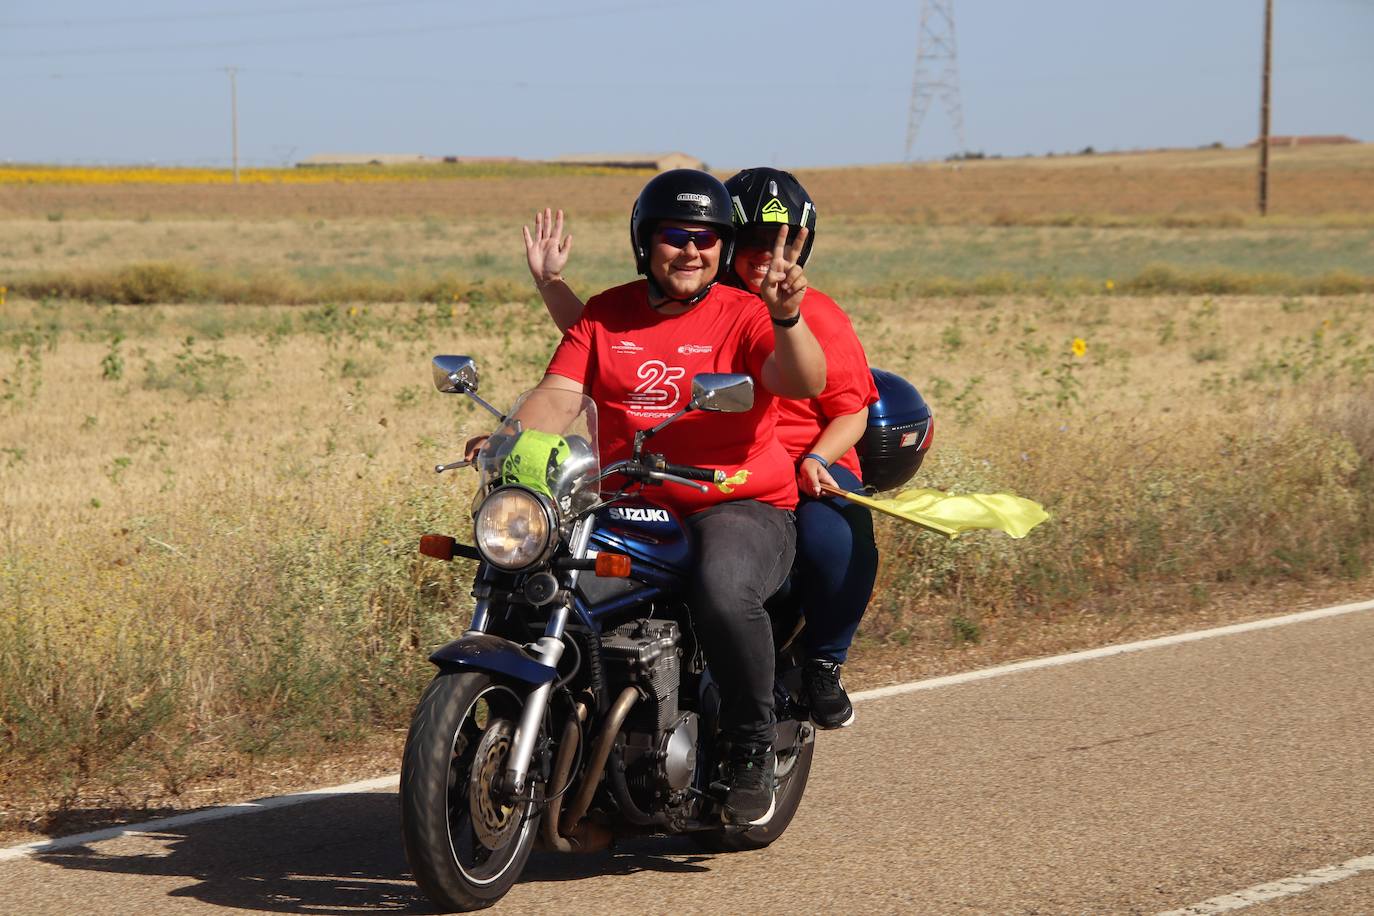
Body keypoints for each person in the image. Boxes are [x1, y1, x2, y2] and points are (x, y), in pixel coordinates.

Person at [513, 169, 825, 826]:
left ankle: (747, 747)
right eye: (676, 236)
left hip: (737, 504)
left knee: (721, 586)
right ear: (645, 244)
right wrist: (510, 438)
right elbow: (561, 395)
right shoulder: (604, 314)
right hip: (627, 503)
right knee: (534, 580)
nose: (692, 250)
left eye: (707, 238)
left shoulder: (744, 315)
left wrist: (788, 314)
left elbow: (800, 378)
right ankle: (542, 741)